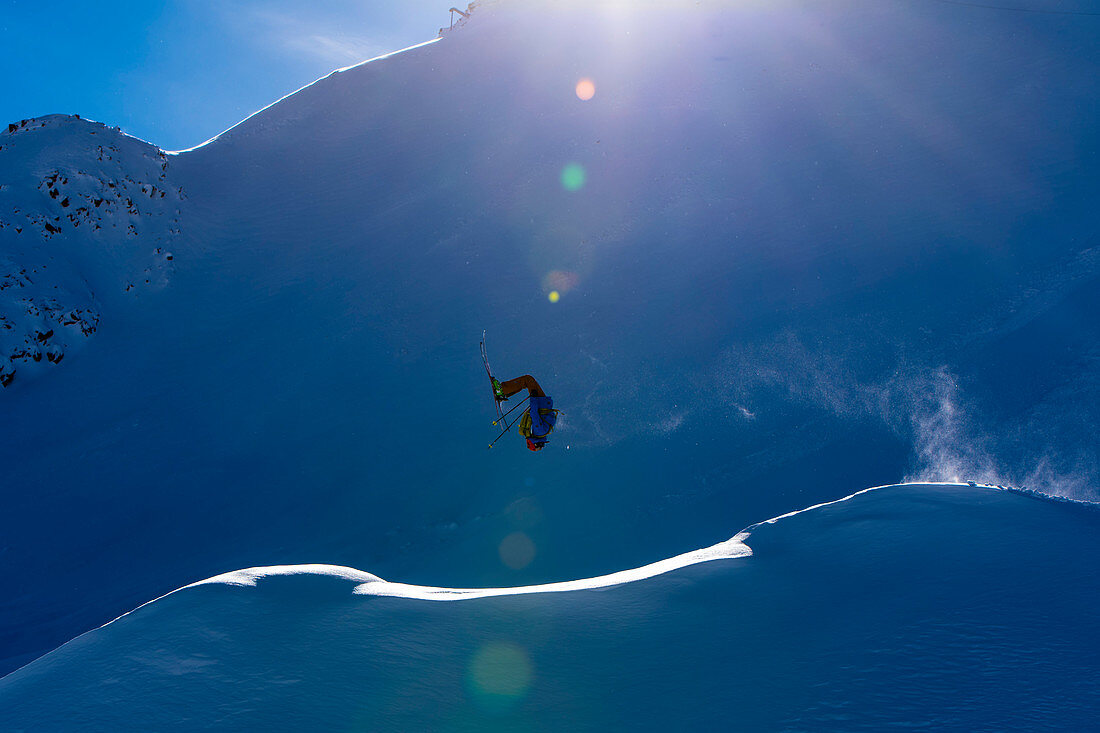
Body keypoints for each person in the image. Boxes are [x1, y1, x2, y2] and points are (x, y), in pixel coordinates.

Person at [491, 374, 557, 451]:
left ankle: (502, 391)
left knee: (528, 380)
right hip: (542, 403)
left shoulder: (540, 432)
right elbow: (536, 416)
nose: (542, 446)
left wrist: (534, 399)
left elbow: (534, 414)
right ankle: (503, 392)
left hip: (541, 402)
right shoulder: (539, 433)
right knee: (528, 381)